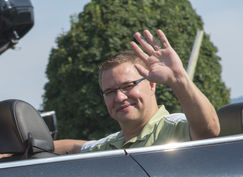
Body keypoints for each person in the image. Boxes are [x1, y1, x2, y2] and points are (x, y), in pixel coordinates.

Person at [54, 29, 220, 154]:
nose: (119, 97)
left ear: (152, 85)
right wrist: (32, 144)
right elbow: (76, 148)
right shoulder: (109, 145)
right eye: (110, 91)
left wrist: (178, 78)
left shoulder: (174, 127)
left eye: (128, 86)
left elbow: (209, 129)